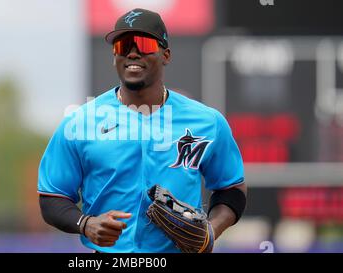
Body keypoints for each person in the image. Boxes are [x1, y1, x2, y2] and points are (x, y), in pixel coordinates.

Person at [38, 8, 247, 253]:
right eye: (122, 46)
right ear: (114, 56)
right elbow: (52, 197)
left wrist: (211, 231)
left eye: (144, 44)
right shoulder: (80, 122)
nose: (132, 52)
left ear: (166, 54)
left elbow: (231, 189)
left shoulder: (207, 122)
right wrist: (86, 224)